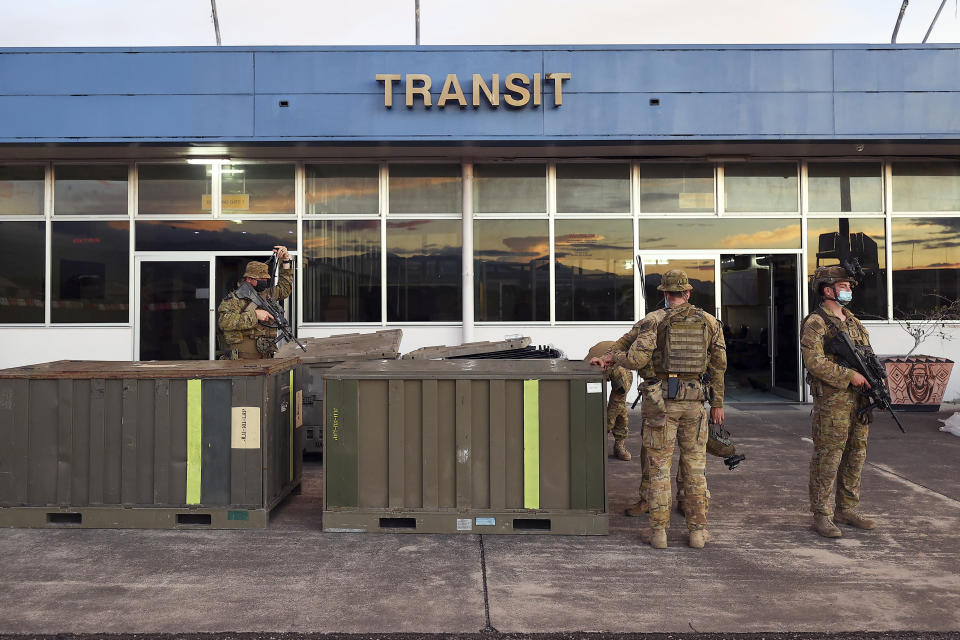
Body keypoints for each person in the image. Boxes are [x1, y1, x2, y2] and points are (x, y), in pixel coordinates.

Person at [591, 269, 726, 549]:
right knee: (695, 468)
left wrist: (610, 357)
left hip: (661, 403)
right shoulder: (711, 322)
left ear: (665, 294)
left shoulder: (654, 320)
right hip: (695, 403)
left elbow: (635, 357)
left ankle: (659, 533)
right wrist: (718, 404)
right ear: (688, 293)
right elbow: (718, 367)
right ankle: (698, 532)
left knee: (659, 468)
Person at [801, 265, 876, 538]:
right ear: (828, 289)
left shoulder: (853, 321)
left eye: (849, 286)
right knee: (828, 457)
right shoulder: (815, 323)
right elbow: (814, 363)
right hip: (833, 401)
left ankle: (846, 508)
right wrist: (849, 376)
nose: (848, 290)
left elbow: (867, 356)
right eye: (844, 286)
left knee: (856, 454)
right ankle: (822, 514)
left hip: (859, 400)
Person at [217, 245, 293, 360]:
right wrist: (255, 315)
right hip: (242, 360)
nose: (264, 282)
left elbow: (285, 289)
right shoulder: (235, 299)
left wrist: (286, 261)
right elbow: (224, 322)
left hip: (266, 357)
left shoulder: (266, 294)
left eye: (265, 279)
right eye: (260, 280)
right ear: (249, 279)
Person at [586, 341, 634, 461]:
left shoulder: (623, 373)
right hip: (596, 360)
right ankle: (593, 446)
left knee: (619, 407)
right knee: (591, 407)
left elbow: (616, 405)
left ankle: (619, 445)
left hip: (616, 369)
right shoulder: (593, 364)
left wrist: (605, 427)